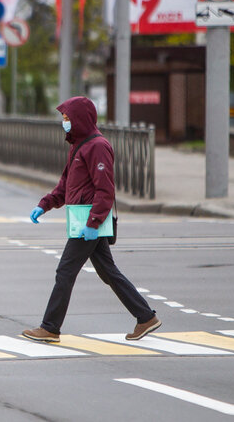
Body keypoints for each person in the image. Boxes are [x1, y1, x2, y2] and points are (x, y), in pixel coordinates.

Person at [22, 96, 160, 343]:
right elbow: (66, 185)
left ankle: (50, 327)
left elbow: (105, 190)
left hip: (88, 223)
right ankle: (145, 317)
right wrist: (44, 205)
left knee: (65, 271)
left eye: (67, 118)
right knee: (108, 272)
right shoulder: (78, 145)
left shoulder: (97, 146)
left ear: (81, 119)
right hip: (84, 222)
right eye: (63, 119)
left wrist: (93, 223)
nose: (65, 123)